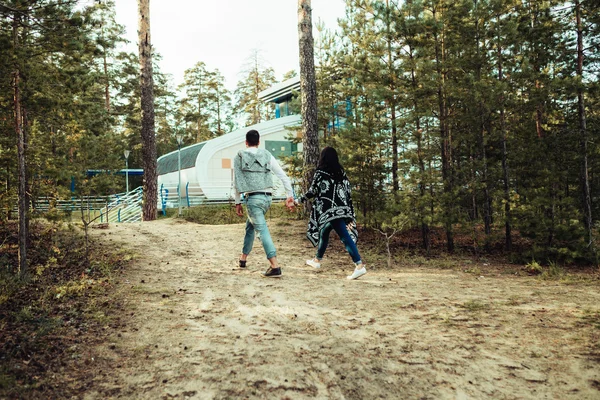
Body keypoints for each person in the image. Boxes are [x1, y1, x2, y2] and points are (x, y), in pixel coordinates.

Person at [234, 129, 295, 278]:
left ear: (246, 142)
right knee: (250, 226)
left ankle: (275, 266)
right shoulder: (267, 155)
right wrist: (290, 196)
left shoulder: (240, 156)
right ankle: (243, 258)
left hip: (253, 199)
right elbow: (282, 175)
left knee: (262, 231)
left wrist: (237, 202)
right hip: (267, 198)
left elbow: (237, 181)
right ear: (259, 142)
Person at [298, 147, 367, 280]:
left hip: (330, 210)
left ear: (322, 158)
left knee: (344, 236)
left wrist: (298, 200)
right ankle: (317, 261)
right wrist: (348, 210)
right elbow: (347, 191)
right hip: (342, 209)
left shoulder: (321, 172)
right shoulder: (341, 172)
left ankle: (359, 265)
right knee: (324, 231)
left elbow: (313, 191)